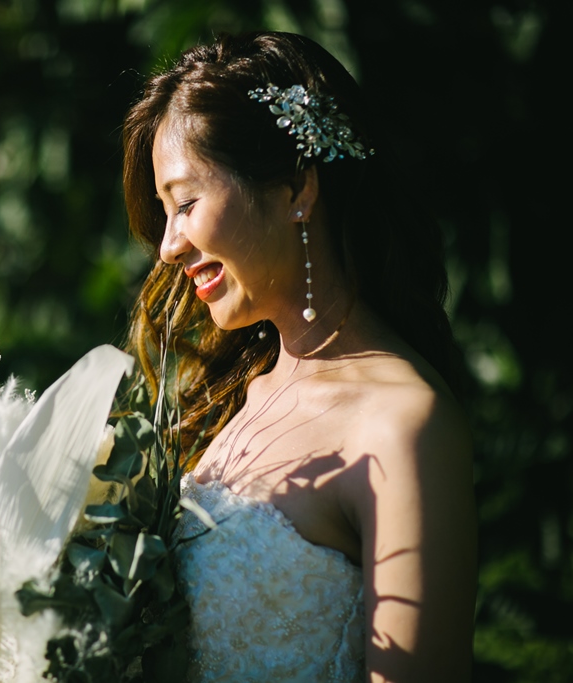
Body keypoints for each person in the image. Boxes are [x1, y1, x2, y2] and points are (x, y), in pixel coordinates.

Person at [121, 32, 476, 682]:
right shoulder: (240, 392)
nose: (168, 246)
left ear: (295, 187)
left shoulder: (404, 428)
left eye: (186, 203)